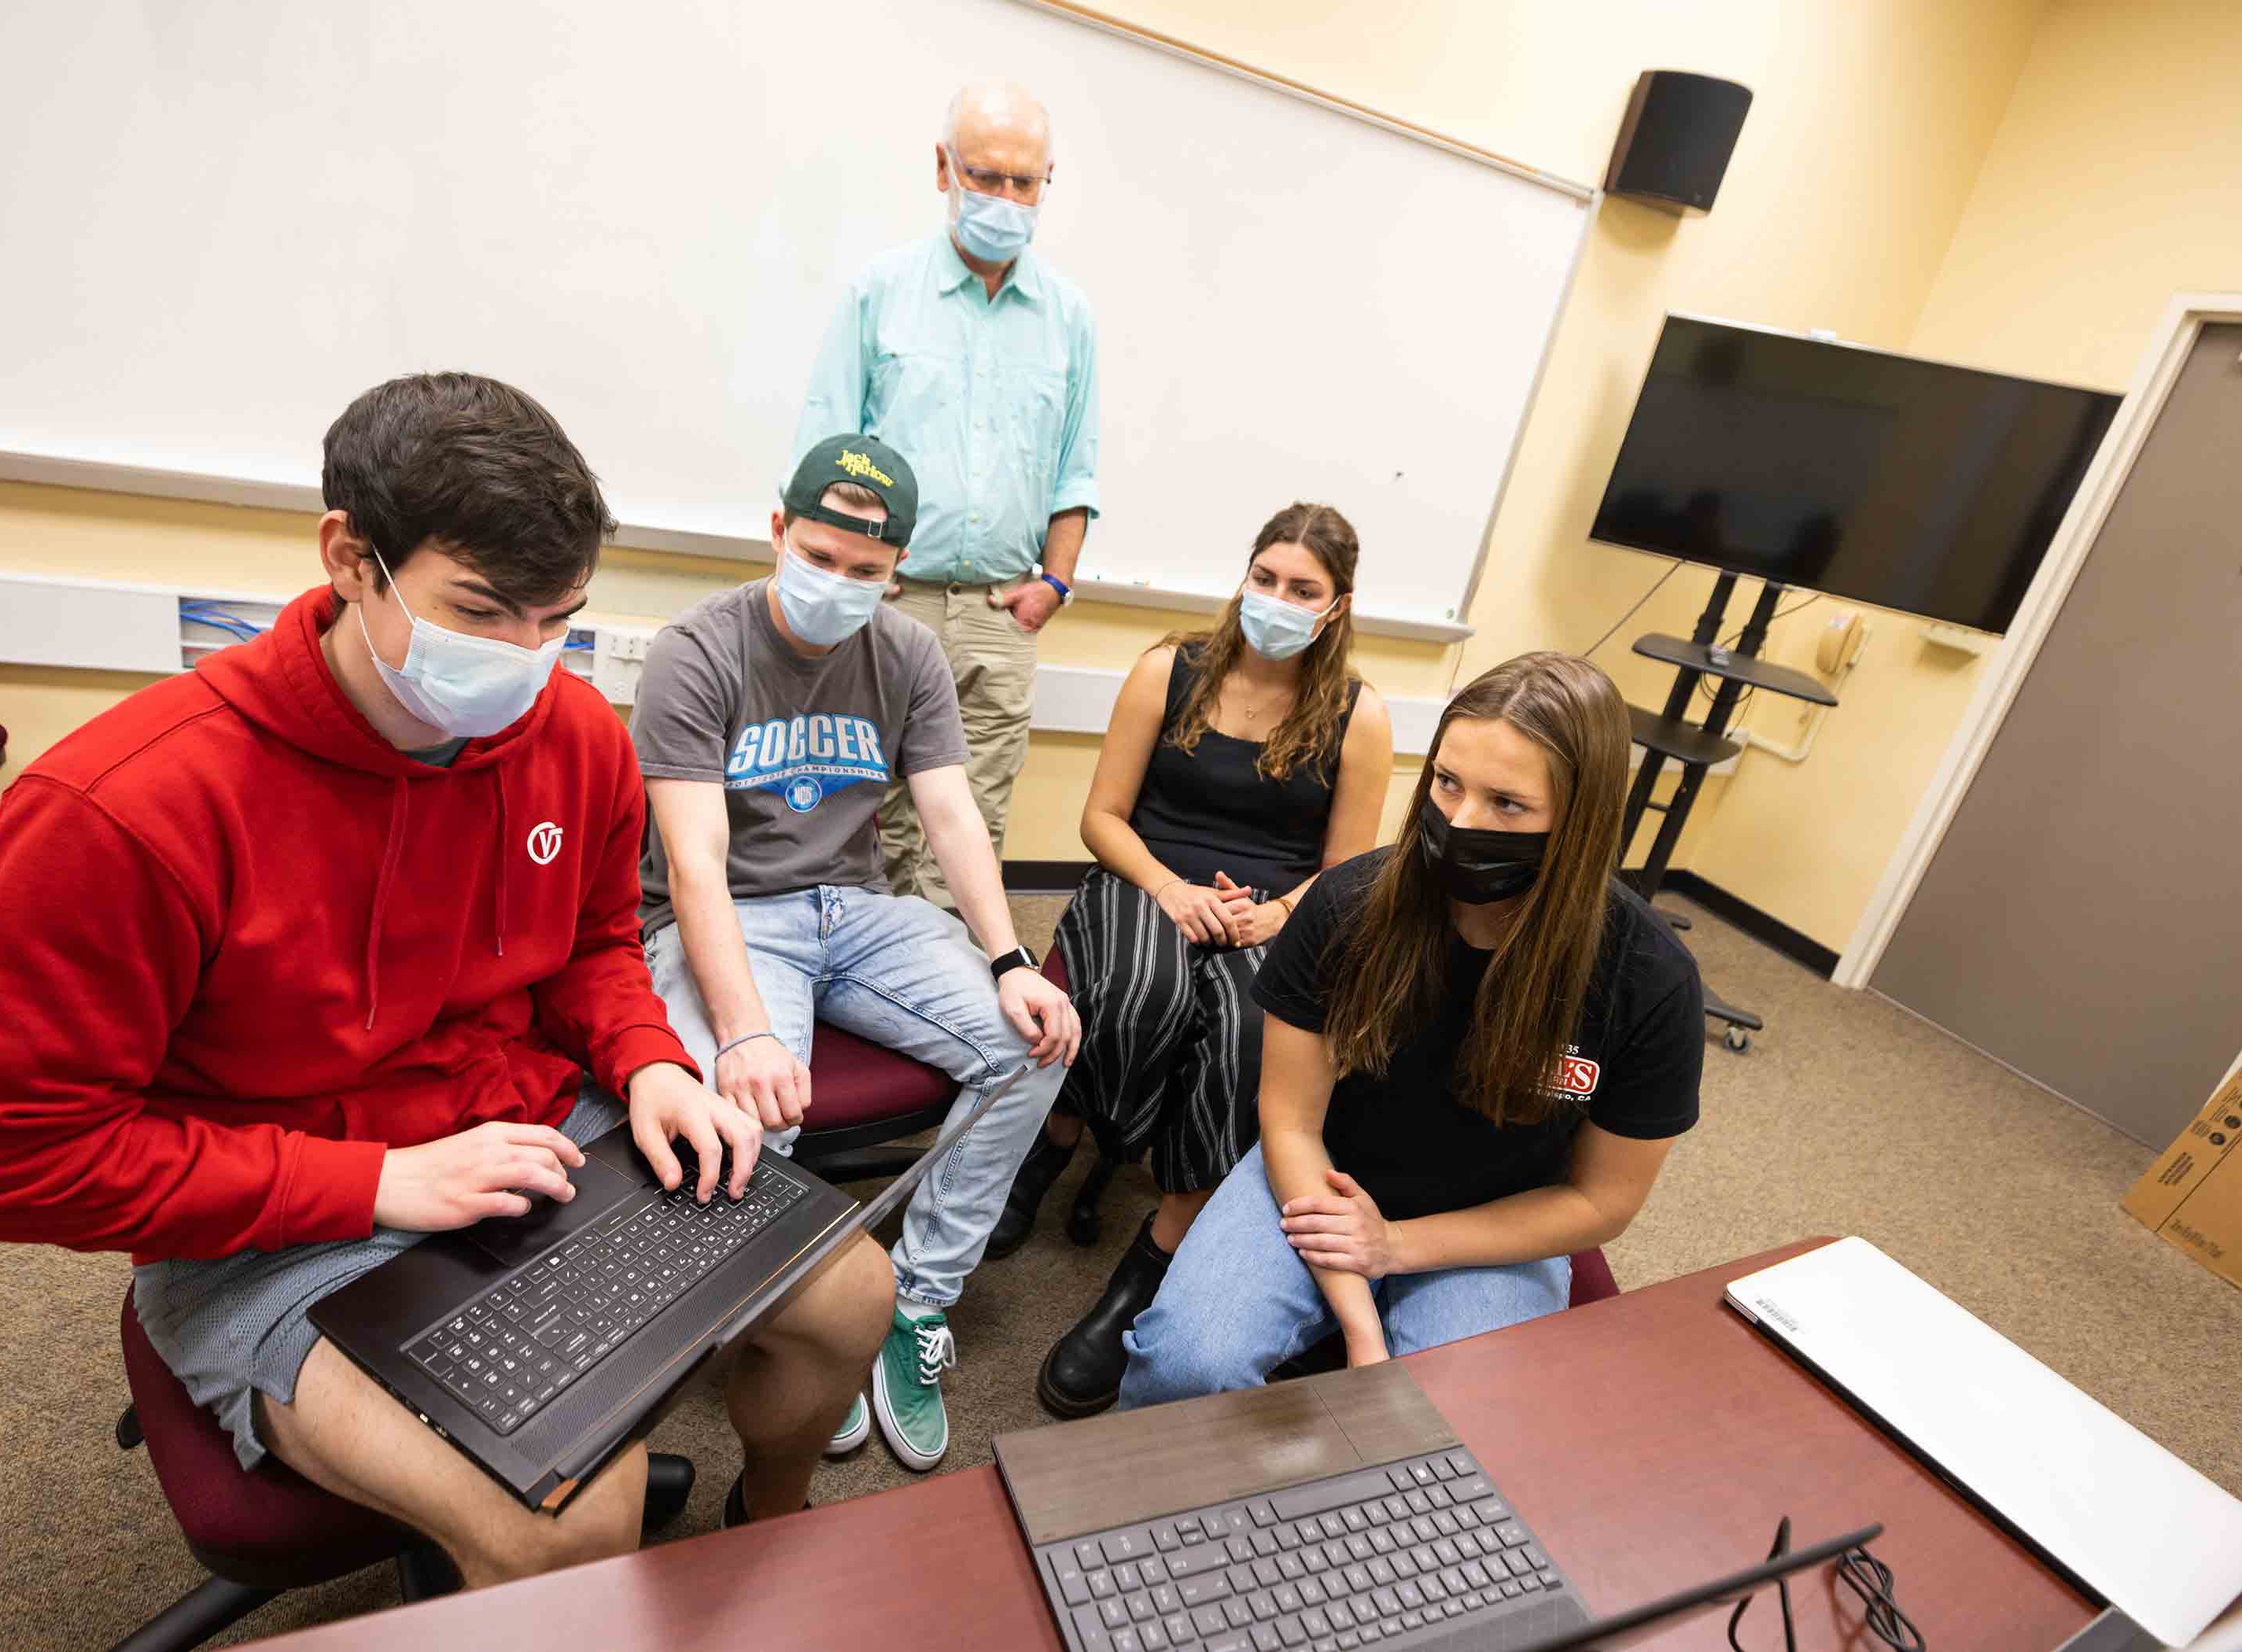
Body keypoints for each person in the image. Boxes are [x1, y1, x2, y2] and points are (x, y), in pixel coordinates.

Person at [0, 374, 896, 1583]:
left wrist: (649, 1062)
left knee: (851, 1296)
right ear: (350, 559)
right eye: (481, 611)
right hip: (267, 1222)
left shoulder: (571, 737)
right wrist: (370, 1182)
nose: (526, 659)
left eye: (559, 619)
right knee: (576, 1512)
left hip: (526, 1126)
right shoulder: (123, 810)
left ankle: (767, 1542)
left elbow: (592, 945)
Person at [633, 432, 1080, 1473]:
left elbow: (952, 818)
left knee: (1038, 1044)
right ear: (779, 532)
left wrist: (1014, 960)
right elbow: (693, 864)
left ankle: (910, 1312)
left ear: (897, 574)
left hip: (853, 908)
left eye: (866, 572)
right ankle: (804, 1339)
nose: (839, 583)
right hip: (733, 909)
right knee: (746, 1111)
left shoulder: (909, 653)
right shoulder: (697, 649)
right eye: (821, 556)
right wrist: (743, 1031)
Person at [1117, 652, 1705, 1404]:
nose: (1460, 823)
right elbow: (1291, 1123)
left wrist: (1395, 1246)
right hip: (1322, 1176)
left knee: (1451, 1425)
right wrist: (1361, 1325)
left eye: (1508, 805)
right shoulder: (1347, 905)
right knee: (1184, 1368)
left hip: (1495, 1223)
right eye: (1447, 783)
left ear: (1579, 821)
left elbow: (1601, 1203)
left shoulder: (1650, 977)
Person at [988, 503, 1394, 1418]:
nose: (1277, 601)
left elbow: (1346, 872)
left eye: (1302, 590)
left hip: (1269, 920)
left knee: (1252, 1042)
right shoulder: (1166, 670)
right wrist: (1171, 891)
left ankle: (1153, 1257)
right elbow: (1100, 820)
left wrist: (1275, 916)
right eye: (1265, 579)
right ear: (1243, 577)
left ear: (1335, 607)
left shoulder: (1358, 715)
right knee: (1139, 995)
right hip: (1146, 884)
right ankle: (1055, 1144)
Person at [792, 79, 1100, 909]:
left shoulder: (1068, 318)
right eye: (985, 176)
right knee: (871, 804)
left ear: (1045, 184)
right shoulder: (880, 293)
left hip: (1004, 613)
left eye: (1022, 182)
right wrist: (851, 574)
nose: (1003, 198)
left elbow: (1077, 469)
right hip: (892, 598)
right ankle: (862, 971)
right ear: (943, 170)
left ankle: (948, 975)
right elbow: (826, 450)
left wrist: (1054, 585)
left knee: (973, 810)